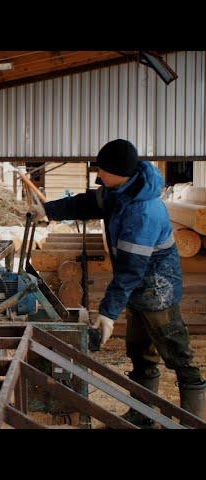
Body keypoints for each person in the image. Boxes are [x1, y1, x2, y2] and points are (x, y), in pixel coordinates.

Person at [30, 139, 205, 425]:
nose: (99, 176)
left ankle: (191, 421)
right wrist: (48, 211)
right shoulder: (121, 189)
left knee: (177, 354)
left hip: (156, 288)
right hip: (137, 284)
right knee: (139, 352)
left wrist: (108, 314)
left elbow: (130, 270)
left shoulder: (142, 212)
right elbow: (87, 203)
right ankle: (142, 416)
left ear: (121, 172)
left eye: (103, 171)